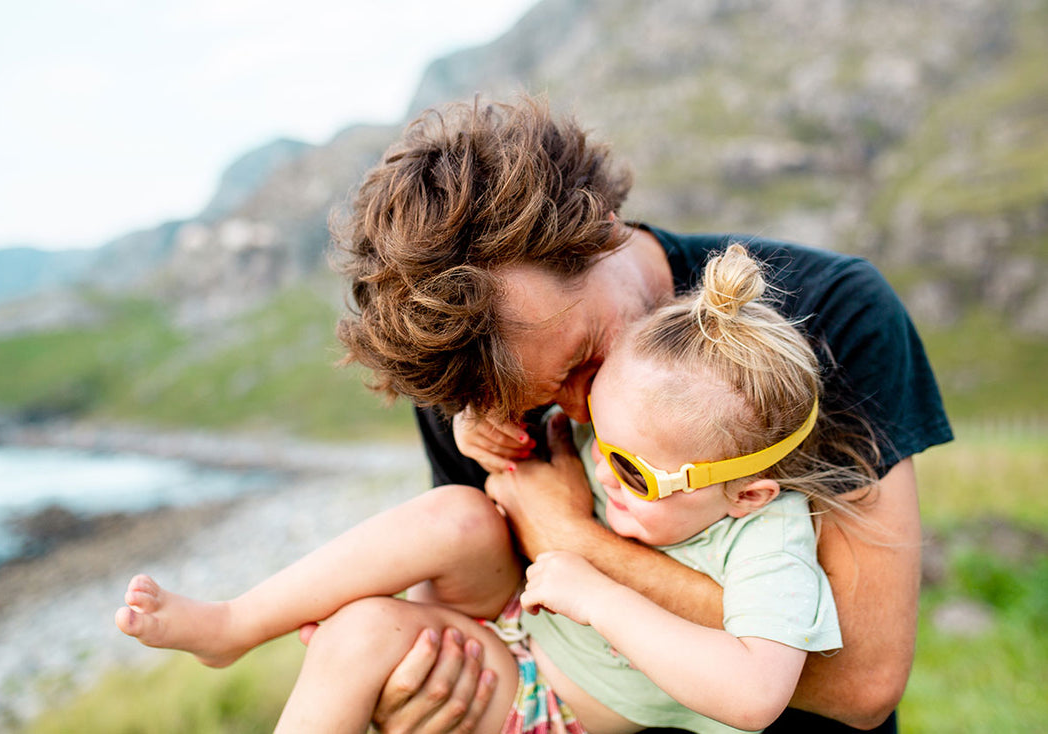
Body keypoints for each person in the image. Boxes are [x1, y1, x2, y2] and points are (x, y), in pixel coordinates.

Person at [332, 95, 953, 734]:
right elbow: (483, 617)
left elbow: (864, 680)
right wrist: (415, 686)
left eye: (582, 359)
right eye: (539, 401)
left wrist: (573, 542)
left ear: (598, 232)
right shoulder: (470, 387)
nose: (582, 408)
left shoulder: (834, 317)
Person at [116, 245, 874, 733]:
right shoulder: (635, 435)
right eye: (599, 437)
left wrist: (595, 587)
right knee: (455, 513)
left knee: (359, 636)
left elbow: (753, 694)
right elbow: (526, 483)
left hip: (554, 697)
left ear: (744, 493)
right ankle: (235, 623)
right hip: (521, 613)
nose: (602, 467)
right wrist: (487, 443)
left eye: (634, 472)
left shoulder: (768, 540)